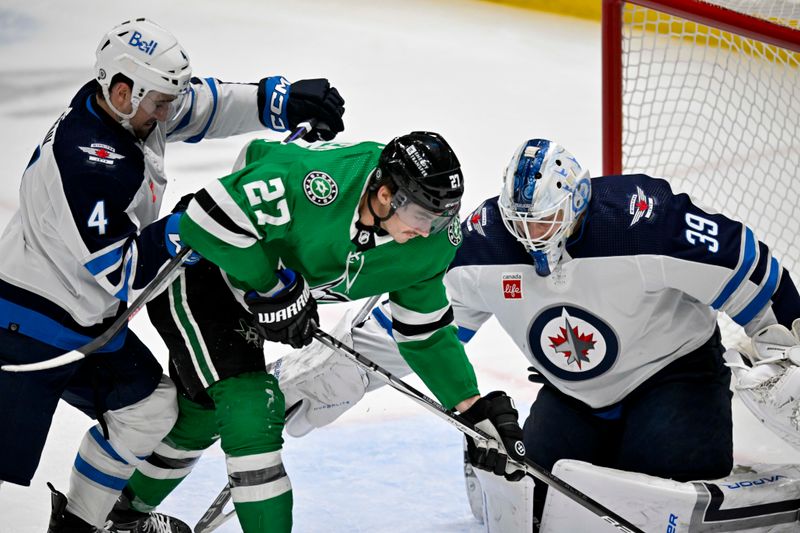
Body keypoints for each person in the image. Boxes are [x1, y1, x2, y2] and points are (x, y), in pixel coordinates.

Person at [272, 137, 800, 529]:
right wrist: (332, 378)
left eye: (545, 224)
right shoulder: (479, 248)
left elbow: (749, 267)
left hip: (674, 378)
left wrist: (787, 346)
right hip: (572, 394)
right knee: (531, 498)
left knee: (653, 502)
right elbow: (417, 329)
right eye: (519, 223)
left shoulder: (645, 223)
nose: (530, 237)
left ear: (576, 204)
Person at [0, 17, 345, 533]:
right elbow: (121, 272)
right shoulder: (88, 164)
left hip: (86, 319)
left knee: (151, 409)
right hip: (28, 325)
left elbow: (197, 104)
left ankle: (78, 526)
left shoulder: (125, 107)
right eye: (159, 101)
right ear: (121, 92)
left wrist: (280, 102)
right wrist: (190, 227)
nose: (169, 111)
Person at [114, 131, 529, 532]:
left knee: (202, 417)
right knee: (251, 409)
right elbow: (205, 217)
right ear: (386, 195)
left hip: (253, 291)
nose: (427, 231)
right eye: (422, 216)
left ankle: (121, 519)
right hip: (207, 263)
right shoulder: (320, 180)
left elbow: (425, 333)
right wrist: (273, 284)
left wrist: (470, 406)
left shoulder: (430, 243)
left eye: (441, 219)